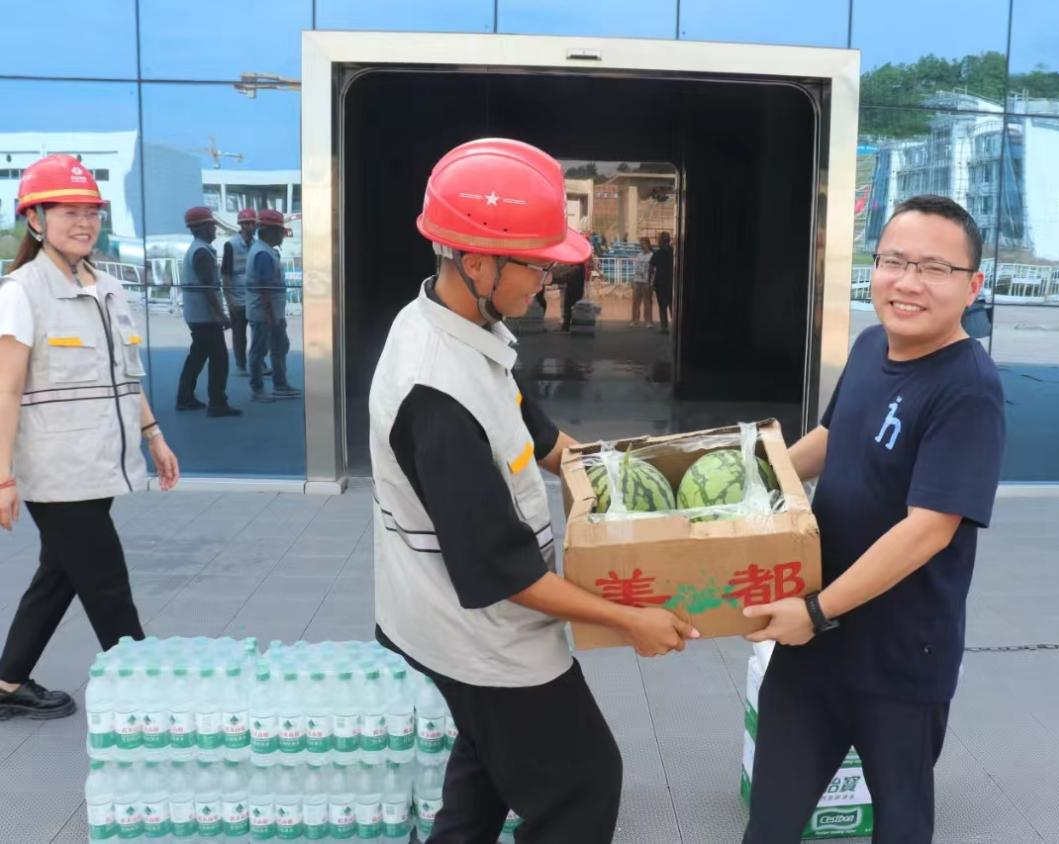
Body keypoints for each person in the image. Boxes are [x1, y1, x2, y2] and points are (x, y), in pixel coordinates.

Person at [370, 138, 698, 843]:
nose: (547, 281)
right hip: (477, 635)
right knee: (583, 784)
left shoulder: (465, 326)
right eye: (537, 264)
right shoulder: (436, 394)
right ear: (476, 261)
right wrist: (629, 619)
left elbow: (545, 441)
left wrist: (648, 487)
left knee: (485, 776)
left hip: (453, 614)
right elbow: (503, 574)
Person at [741, 195, 1006, 844]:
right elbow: (832, 438)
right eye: (894, 261)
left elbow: (928, 529)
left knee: (900, 825)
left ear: (972, 286)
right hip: (813, 651)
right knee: (770, 823)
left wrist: (815, 611)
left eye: (934, 268)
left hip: (899, 660)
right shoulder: (868, 346)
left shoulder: (968, 389)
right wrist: (749, 483)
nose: (908, 282)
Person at [0, 154, 180, 719]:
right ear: (35, 220)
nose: (84, 223)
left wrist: (154, 435)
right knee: (105, 582)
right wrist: (2, 476)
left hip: (100, 462)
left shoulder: (108, 288)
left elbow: (126, 374)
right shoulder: (21, 291)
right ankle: (145, 696)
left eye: (92, 213)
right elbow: (6, 389)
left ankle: (6, 683)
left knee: (60, 572)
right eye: (68, 212)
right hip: (56, 467)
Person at [176, 206, 240, 417]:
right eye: (211, 225)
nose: (215, 229)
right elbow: (208, 288)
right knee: (219, 359)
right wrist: (221, 315)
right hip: (204, 316)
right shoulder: (202, 252)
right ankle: (217, 403)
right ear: (201, 228)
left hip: (197, 314)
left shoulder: (197, 249)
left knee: (197, 357)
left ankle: (185, 398)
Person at [245, 209, 300, 402]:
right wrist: (271, 316)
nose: (282, 236)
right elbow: (265, 288)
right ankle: (258, 389)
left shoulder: (264, 251)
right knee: (259, 351)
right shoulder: (263, 254)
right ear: (269, 231)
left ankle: (280, 384)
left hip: (270, 312)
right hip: (264, 313)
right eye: (279, 231)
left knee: (280, 346)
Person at [221, 208, 257, 376]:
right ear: (241, 225)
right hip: (238, 298)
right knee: (239, 334)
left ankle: (258, 363)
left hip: (254, 297)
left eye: (253, 223)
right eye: (248, 223)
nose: (252, 226)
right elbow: (226, 275)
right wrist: (230, 301)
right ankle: (241, 365)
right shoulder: (231, 245)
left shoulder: (256, 245)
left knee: (258, 334)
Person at [649, 231, 673, 334]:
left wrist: (650, 281)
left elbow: (651, 268)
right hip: (672, 283)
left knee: (662, 306)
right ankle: (676, 326)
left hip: (660, 284)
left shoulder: (657, 253)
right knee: (673, 306)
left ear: (660, 241)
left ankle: (664, 327)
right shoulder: (674, 252)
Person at [630, 236, 653, 327]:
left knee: (647, 302)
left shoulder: (652, 255)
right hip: (637, 281)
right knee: (635, 302)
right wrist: (633, 280)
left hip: (646, 281)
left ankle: (648, 321)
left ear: (648, 244)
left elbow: (654, 269)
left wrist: (651, 281)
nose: (641, 245)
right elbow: (635, 268)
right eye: (640, 244)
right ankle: (635, 320)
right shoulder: (639, 255)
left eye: (643, 243)